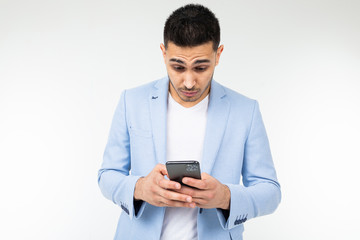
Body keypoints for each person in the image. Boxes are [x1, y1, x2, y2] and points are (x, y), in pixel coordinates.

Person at [98, 4, 281, 240]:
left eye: (201, 67)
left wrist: (225, 196)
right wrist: (140, 188)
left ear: (218, 55)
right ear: (163, 54)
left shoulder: (246, 110)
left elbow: (270, 191)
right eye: (177, 67)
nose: (188, 82)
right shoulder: (131, 101)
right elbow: (107, 174)